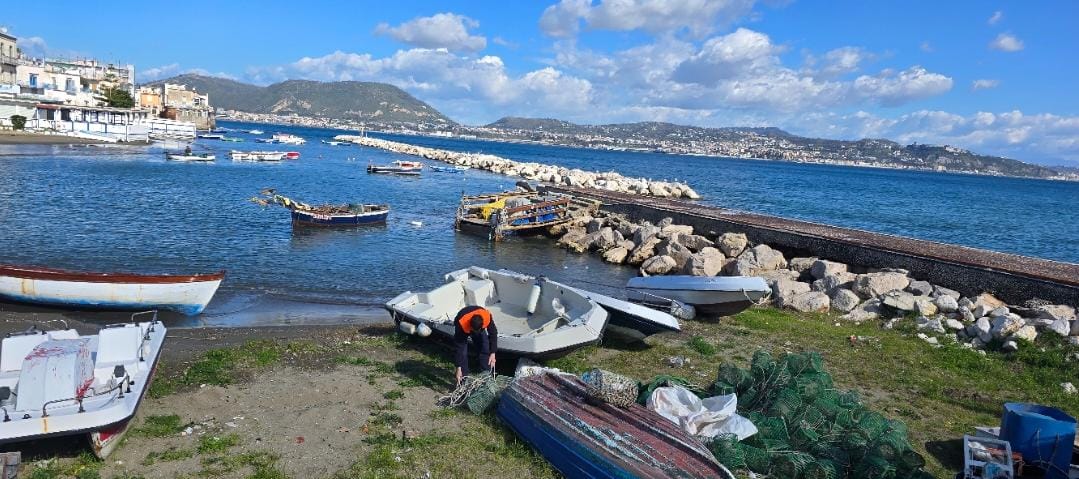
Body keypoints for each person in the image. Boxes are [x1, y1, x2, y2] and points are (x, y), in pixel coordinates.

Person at [453, 305, 498, 385]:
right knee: (463, 353)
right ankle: (463, 380)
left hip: (478, 326)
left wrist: (493, 353)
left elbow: (493, 333)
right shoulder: (461, 323)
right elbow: (459, 348)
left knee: (484, 347)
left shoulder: (486, 316)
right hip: (462, 323)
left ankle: (486, 375)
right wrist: (458, 367)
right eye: (473, 331)